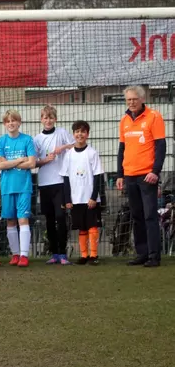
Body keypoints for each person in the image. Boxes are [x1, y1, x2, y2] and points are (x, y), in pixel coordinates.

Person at [116, 85, 166, 268]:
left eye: (134, 99)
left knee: (150, 215)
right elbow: (122, 149)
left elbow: (161, 146)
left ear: (142, 99)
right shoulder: (124, 121)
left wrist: (155, 171)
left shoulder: (154, 117)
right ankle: (142, 253)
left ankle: (154, 255)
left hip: (147, 175)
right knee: (136, 216)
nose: (131, 102)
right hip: (129, 175)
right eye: (128, 99)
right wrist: (120, 174)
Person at [34, 105, 74, 265]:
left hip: (60, 182)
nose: (48, 120)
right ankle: (54, 253)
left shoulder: (62, 133)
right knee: (49, 219)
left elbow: (75, 145)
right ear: (41, 120)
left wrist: (61, 148)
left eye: (51, 117)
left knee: (60, 217)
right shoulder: (36, 139)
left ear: (55, 119)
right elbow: (34, 162)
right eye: (45, 117)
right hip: (44, 183)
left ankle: (63, 253)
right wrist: (44, 161)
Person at [0, 109, 37, 267]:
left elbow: (32, 163)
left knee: (23, 219)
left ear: (19, 123)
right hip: (7, 187)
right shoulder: (1, 141)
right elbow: (0, 164)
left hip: (23, 187)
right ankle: (15, 254)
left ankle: (24, 255)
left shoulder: (27, 140)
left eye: (14, 120)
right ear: (4, 124)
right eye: (8, 121)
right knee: (10, 221)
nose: (11, 123)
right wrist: (20, 160)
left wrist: (9, 163)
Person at [61, 120, 104, 266]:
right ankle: (84, 255)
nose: (80, 134)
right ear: (73, 134)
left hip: (89, 199)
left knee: (92, 226)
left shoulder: (92, 153)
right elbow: (65, 178)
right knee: (81, 228)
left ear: (87, 134)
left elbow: (98, 177)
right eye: (77, 131)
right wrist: (67, 199)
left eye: (83, 131)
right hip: (75, 199)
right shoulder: (69, 155)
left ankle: (94, 255)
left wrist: (93, 197)